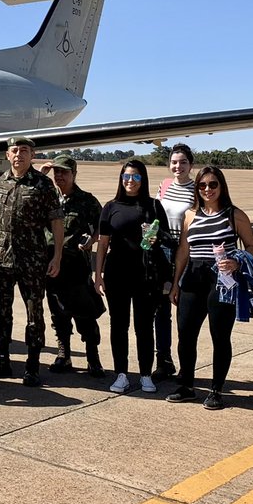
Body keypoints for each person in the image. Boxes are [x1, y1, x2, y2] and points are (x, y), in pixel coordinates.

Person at [167, 166, 253, 409]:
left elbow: (251, 246)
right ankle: (187, 386)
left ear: (221, 186)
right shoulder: (190, 214)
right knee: (186, 334)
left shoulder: (234, 215)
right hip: (193, 277)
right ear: (197, 188)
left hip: (222, 280)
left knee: (220, 336)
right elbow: (183, 251)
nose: (208, 189)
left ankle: (217, 390)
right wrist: (176, 283)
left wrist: (237, 261)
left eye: (213, 184)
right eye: (202, 185)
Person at [0, 136, 63, 386]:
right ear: (7, 155)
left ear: (32, 155)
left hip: (32, 258)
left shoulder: (43, 185)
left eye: (24, 150)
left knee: (34, 313)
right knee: (1, 311)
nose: (19, 154)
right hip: (1, 257)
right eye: (14, 150)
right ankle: (2, 359)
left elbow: (56, 221)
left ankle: (33, 365)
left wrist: (57, 255)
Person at [94, 160, 170, 394]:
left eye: (136, 177)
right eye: (126, 176)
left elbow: (167, 239)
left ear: (143, 180)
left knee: (144, 326)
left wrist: (157, 238)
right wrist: (98, 275)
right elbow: (103, 244)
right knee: (119, 325)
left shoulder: (154, 206)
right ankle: (121, 374)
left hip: (145, 275)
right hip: (117, 274)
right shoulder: (111, 207)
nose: (130, 181)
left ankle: (146, 374)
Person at [43, 154, 105, 376]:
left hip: (76, 266)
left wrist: (92, 240)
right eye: (56, 172)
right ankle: (64, 355)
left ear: (74, 174)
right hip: (52, 265)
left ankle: (93, 358)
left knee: (85, 313)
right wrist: (41, 175)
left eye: (64, 172)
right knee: (58, 313)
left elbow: (102, 226)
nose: (59, 176)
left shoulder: (87, 201)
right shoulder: (48, 197)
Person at [152, 144, 196, 381]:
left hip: (186, 253)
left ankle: (186, 364)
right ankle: (164, 360)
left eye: (183, 162)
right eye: (174, 162)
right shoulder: (165, 185)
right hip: (163, 253)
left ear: (191, 165)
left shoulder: (197, 189)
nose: (178, 166)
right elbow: (157, 217)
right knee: (161, 310)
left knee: (185, 312)